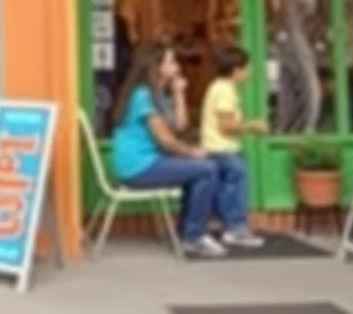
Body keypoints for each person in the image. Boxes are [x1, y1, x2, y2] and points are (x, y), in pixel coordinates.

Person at [111, 42, 227, 257]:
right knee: (207, 169)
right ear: (157, 66)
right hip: (138, 167)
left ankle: (190, 231)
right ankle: (193, 236)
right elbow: (166, 140)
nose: (177, 66)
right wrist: (192, 153)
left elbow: (180, 127)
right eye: (171, 61)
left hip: (149, 162)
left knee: (202, 169)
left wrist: (179, 93)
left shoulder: (158, 95)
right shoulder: (143, 96)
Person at [199, 45, 268, 248]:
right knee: (238, 183)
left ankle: (223, 224)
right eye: (248, 68)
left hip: (216, 148)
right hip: (223, 149)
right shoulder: (225, 91)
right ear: (237, 70)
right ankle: (236, 228)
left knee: (224, 188)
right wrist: (253, 125)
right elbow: (226, 125)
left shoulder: (219, 87)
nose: (250, 72)